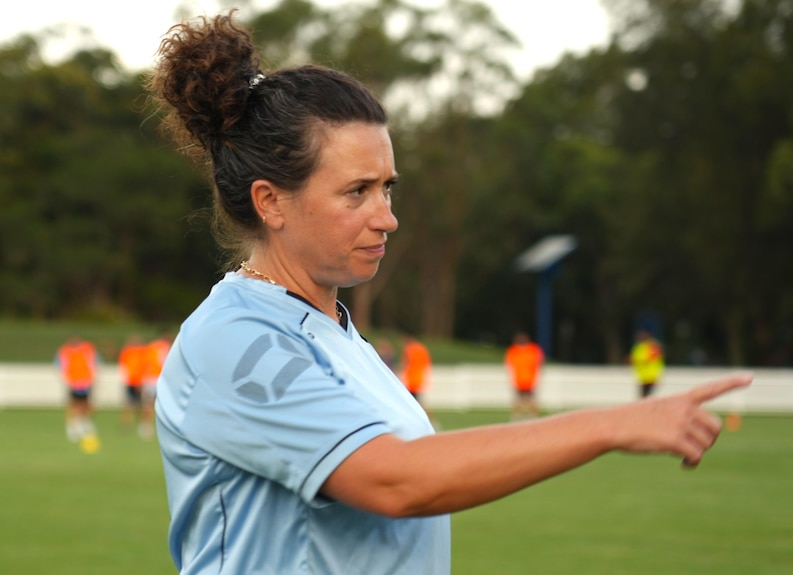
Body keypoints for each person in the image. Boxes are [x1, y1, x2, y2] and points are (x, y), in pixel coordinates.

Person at [147, 12, 752, 575]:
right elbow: (396, 481)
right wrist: (614, 425)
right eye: (357, 191)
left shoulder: (335, 331)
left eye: (388, 188)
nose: (387, 218)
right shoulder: (235, 341)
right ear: (270, 201)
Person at [55, 336, 99, 442]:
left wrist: (93, 377)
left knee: (86, 404)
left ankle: (83, 424)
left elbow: (93, 363)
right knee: (73, 405)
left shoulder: (87, 349)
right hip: (73, 382)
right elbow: (60, 365)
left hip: (86, 381)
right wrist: (66, 378)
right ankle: (72, 427)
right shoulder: (65, 351)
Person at [504, 331, 545, 420]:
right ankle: (516, 417)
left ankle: (534, 416)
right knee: (518, 400)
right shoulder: (513, 350)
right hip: (518, 379)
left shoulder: (533, 349)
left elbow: (540, 360)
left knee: (532, 399)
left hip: (531, 379)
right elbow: (509, 363)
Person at [118, 335, 149, 434]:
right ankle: (126, 426)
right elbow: (125, 367)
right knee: (129, 405)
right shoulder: (127, 352)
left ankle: (144, 425)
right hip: (132, 382)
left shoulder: (143, 352)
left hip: (142, 382)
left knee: (145, 405)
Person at [629, 329, 665, 399]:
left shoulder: (653, 346)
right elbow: (633, 359)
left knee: (646, 396)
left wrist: (639, 360)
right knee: (644, 396)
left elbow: (651, 358)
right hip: (642, 376)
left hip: (651, 376)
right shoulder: (639, 347)